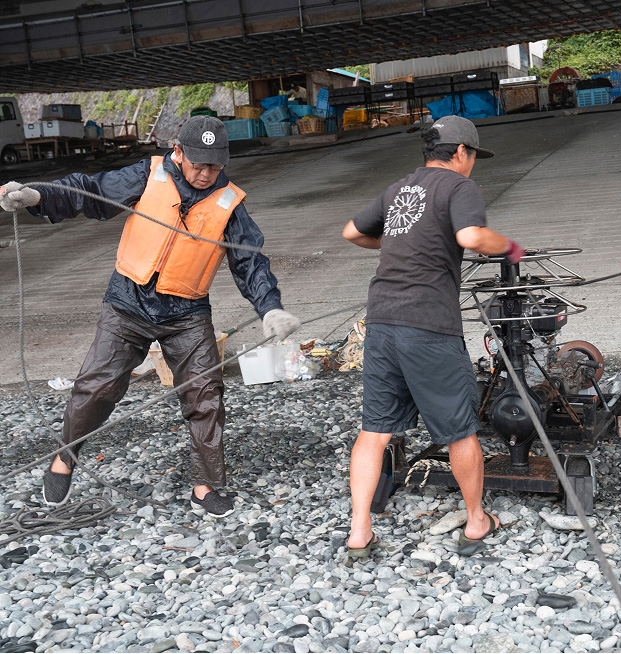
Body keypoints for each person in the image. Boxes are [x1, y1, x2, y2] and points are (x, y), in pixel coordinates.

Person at [0, 116, 301, 518]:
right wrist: (37, 196)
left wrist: (270, 307)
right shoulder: (147, 175)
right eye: (198, 164)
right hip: (128, 302)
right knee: (97, 388)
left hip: (187, 312)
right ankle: (64, 458)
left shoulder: (230, 202)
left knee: (206, 396)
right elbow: (90, 191)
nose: (205, 173)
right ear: (178, 152)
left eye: (214, 166)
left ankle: (204, 486)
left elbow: (250, 262)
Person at [342, 115, 524, 557]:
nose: (472, 163)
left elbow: (352, 232)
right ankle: (477, 520)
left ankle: (359, 531)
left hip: (381, 322)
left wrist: (400, 244)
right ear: (461, 152)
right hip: (428, 324)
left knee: (374, 430)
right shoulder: (459, 186)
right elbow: (471, 235)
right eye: (473, 155)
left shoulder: (399, 188)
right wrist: (511, 247)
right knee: (459, 429)